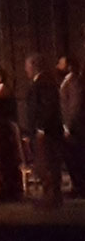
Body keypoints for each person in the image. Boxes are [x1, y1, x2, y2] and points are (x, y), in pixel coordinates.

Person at [26, 53, 63, 208]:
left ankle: (52, 198)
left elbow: (48, 107)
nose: (26, 70)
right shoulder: (40, 82)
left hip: (46, 133)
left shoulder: (44, 82)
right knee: (43, 165)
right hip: (42, 132)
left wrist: (41, 128)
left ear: (34, 66)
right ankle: (50, 196)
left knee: (48, 165)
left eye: (27, 66)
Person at [0, 67, 23, 202]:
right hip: (2, 131)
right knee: (4, 162)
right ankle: (6, 191)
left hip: (5, 132)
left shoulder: (4, 93)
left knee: (7, 162)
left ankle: (9, 192)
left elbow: (2, 113)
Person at [58, 56, 85, 198]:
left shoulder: (74, 81)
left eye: (61, 64)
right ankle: (77, 186)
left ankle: (80, 188)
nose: (57, 66)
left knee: (76, 158)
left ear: (69, 66)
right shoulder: (67, 81)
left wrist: (68, 126)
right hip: (69, 128)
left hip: (75, 130)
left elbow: (75, 105)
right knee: (71, 158)